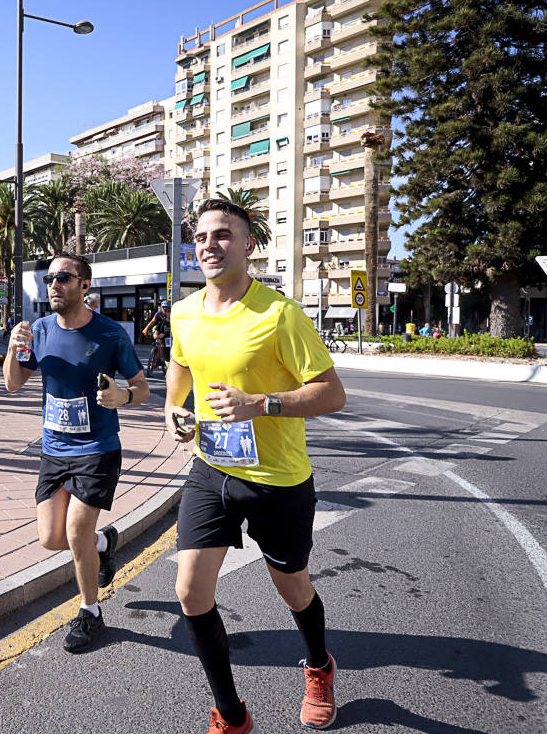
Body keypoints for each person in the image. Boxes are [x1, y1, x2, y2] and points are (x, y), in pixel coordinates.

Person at [165, 198, 347, 733]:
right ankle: (230, 713)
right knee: (190, 591)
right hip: (211, 470)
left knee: (293, 587)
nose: (209, 245)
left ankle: (318, 665)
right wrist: (174, 412)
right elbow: (180, 373)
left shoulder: (279, 314)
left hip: (278, 481)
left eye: (223, 235)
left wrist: (260, 404)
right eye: (201, 237)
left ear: (248, 245)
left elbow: (332, 394)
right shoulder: (184, 312)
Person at [5, 252, 150, 653]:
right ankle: (104, 544)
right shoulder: (39, 329)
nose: (54, 284)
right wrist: (11, 349)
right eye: (50, 277)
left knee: (75, 532)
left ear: (84, 286)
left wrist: (123, 395)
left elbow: (142, 388)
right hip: (54, 448)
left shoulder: (109, 334)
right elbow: (14, 384)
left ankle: (91, 612)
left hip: (98, 448)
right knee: (51, 538)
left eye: (64, 278)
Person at [142, 300, 172, 374]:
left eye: (166, 308)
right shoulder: (158, 314)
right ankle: (156, 357)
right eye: (164, 308)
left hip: (165, 330)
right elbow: (152, 322)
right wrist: (146, 329)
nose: (165, 310)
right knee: (157, 338)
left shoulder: (169, 314)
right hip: (157, 329)